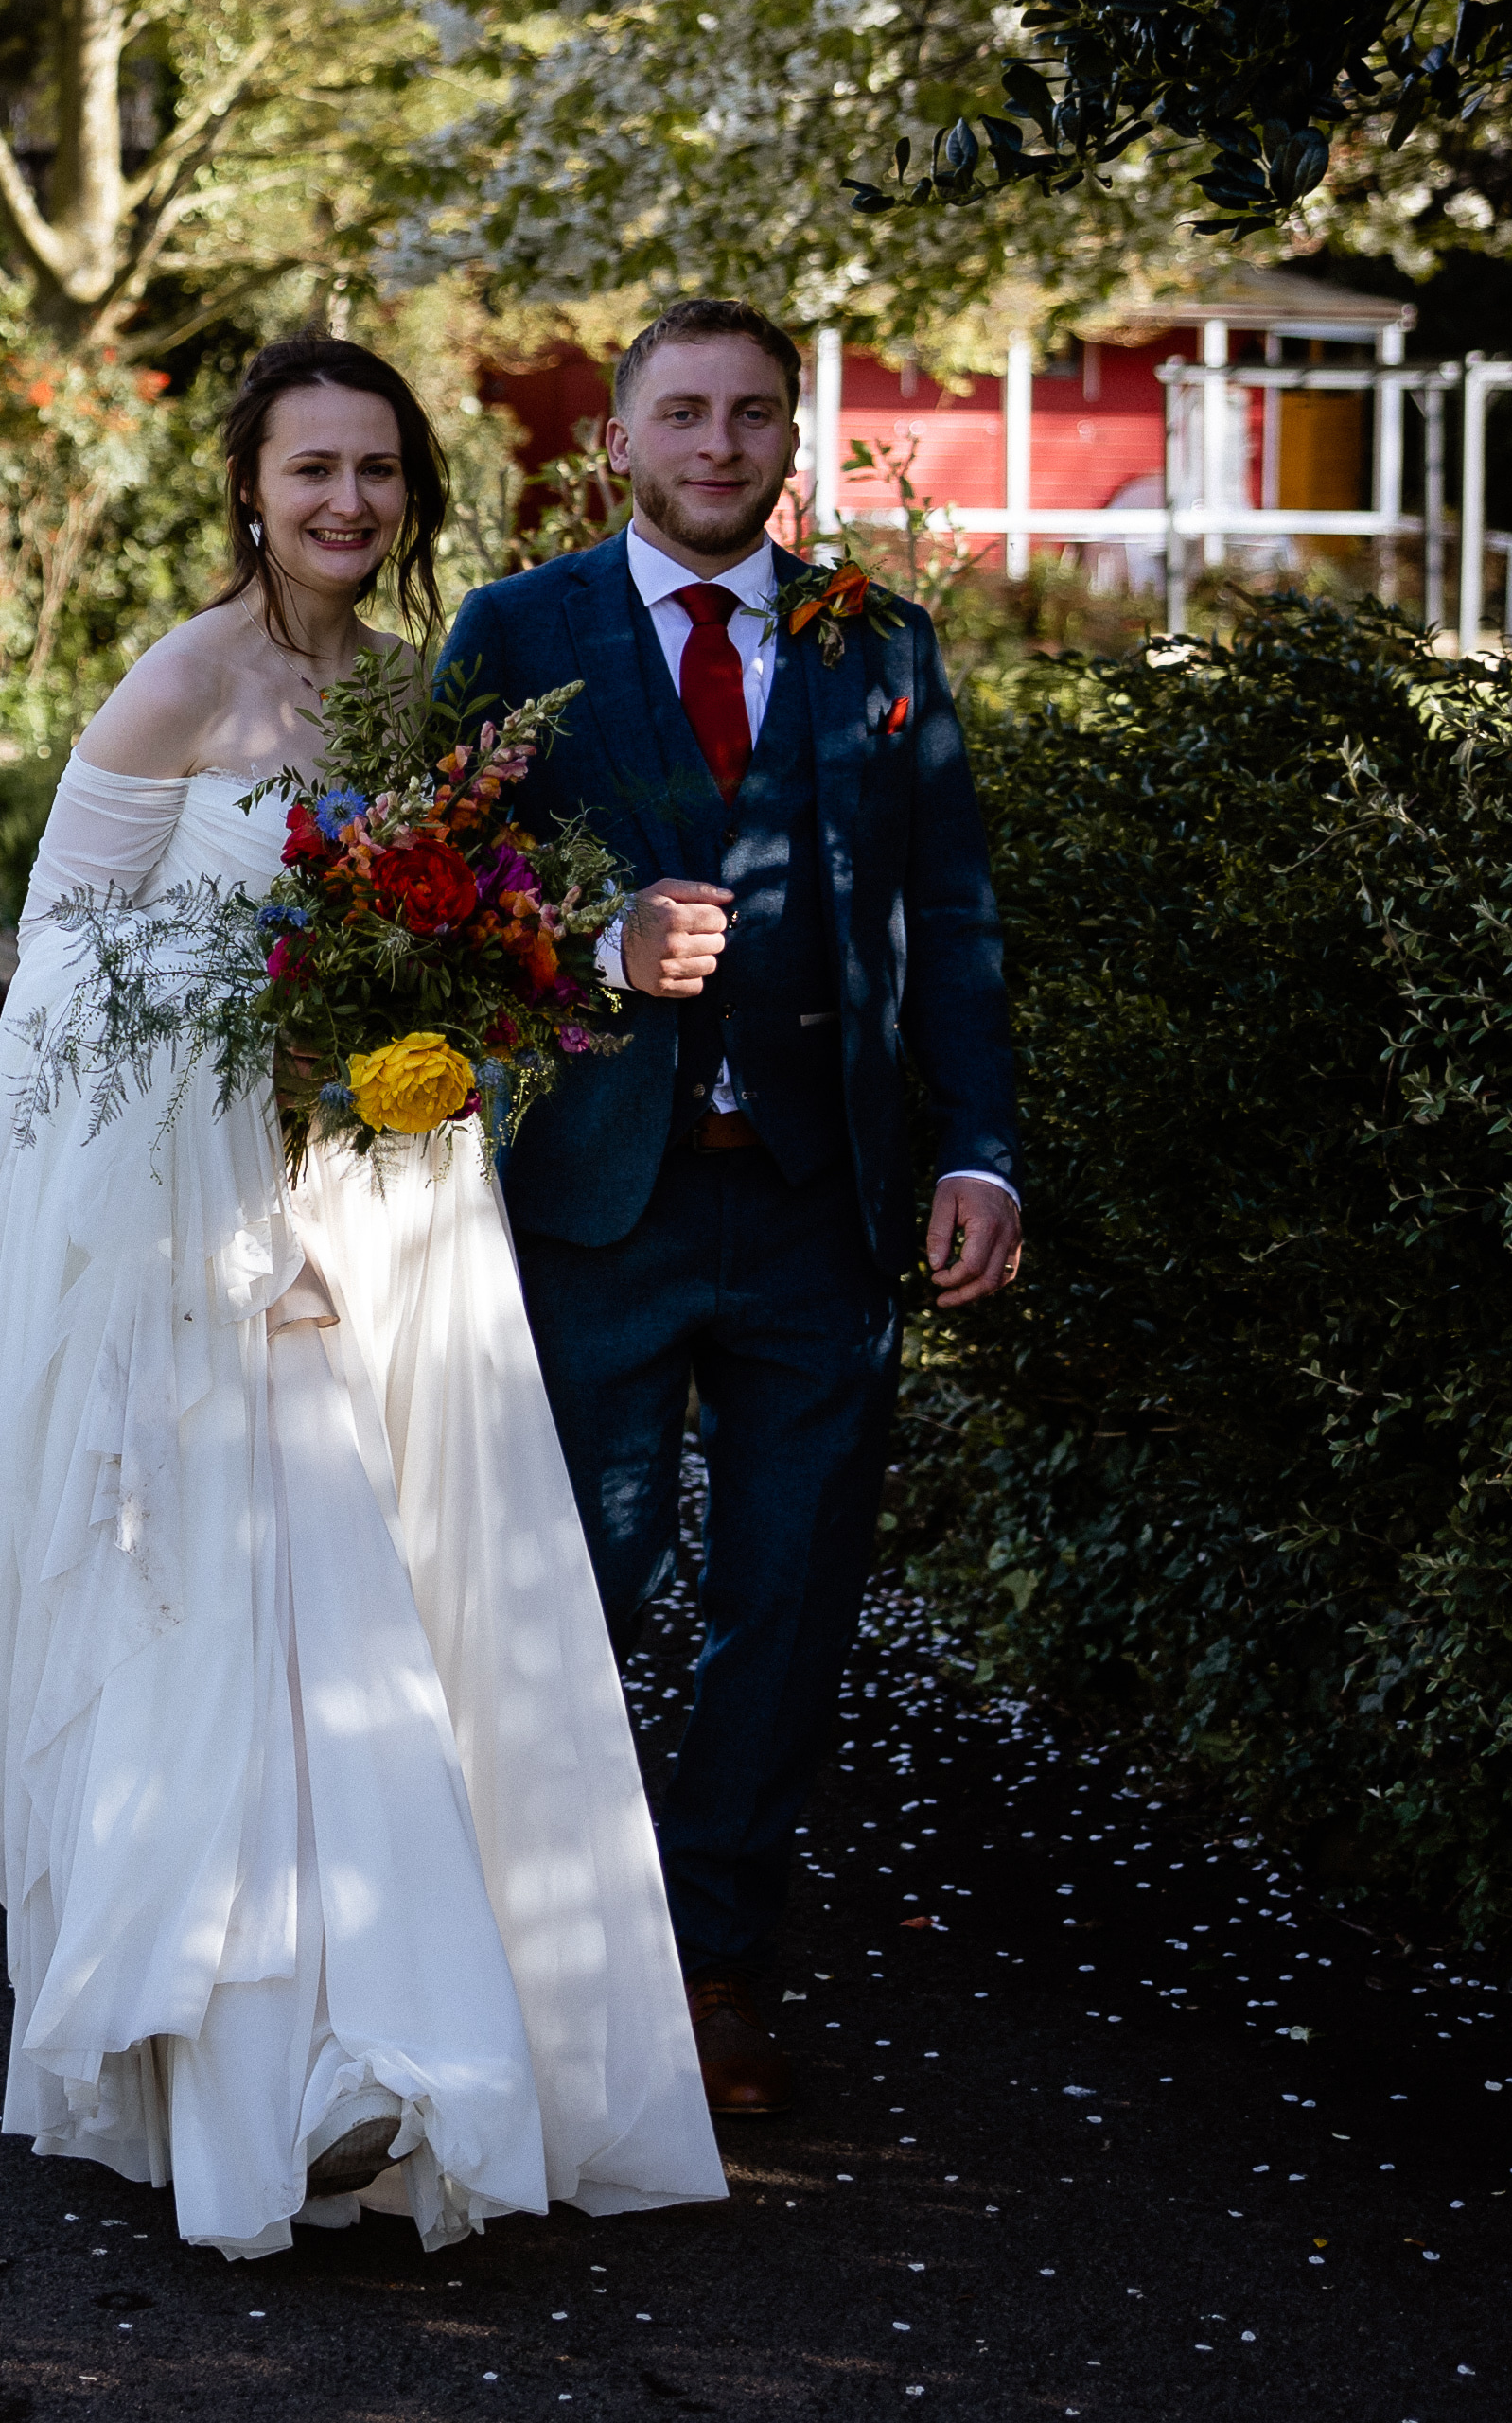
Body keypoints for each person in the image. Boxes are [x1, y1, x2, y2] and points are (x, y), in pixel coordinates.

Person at [0, 337, 724, 2258]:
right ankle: (277, 2072)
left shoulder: (404, 697)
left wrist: (484, 1000)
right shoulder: (186, 676)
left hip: (387, 1184)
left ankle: (402, 2035)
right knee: (267, 1603)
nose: (347, 504)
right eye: (313, 472)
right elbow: (62, 952)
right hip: (207, 1216)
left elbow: (480, 946)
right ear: (250, 488)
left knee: (412, 1601)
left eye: (378, 472)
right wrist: (235, 1106)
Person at [431, 297, 1022, 2116]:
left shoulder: (882, 648)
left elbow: (956, 926)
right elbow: (436, 908)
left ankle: (711, 1960)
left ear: (793, 440)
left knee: (788, 1597)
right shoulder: (513, 635)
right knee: (580, 1583)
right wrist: (594, 951)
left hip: (821, 1215)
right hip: (595, 1201)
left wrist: (980, 1149)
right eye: (681, 414)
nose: (717, 445)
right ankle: (539, 1951)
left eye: (753, 416)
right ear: (617, 440)